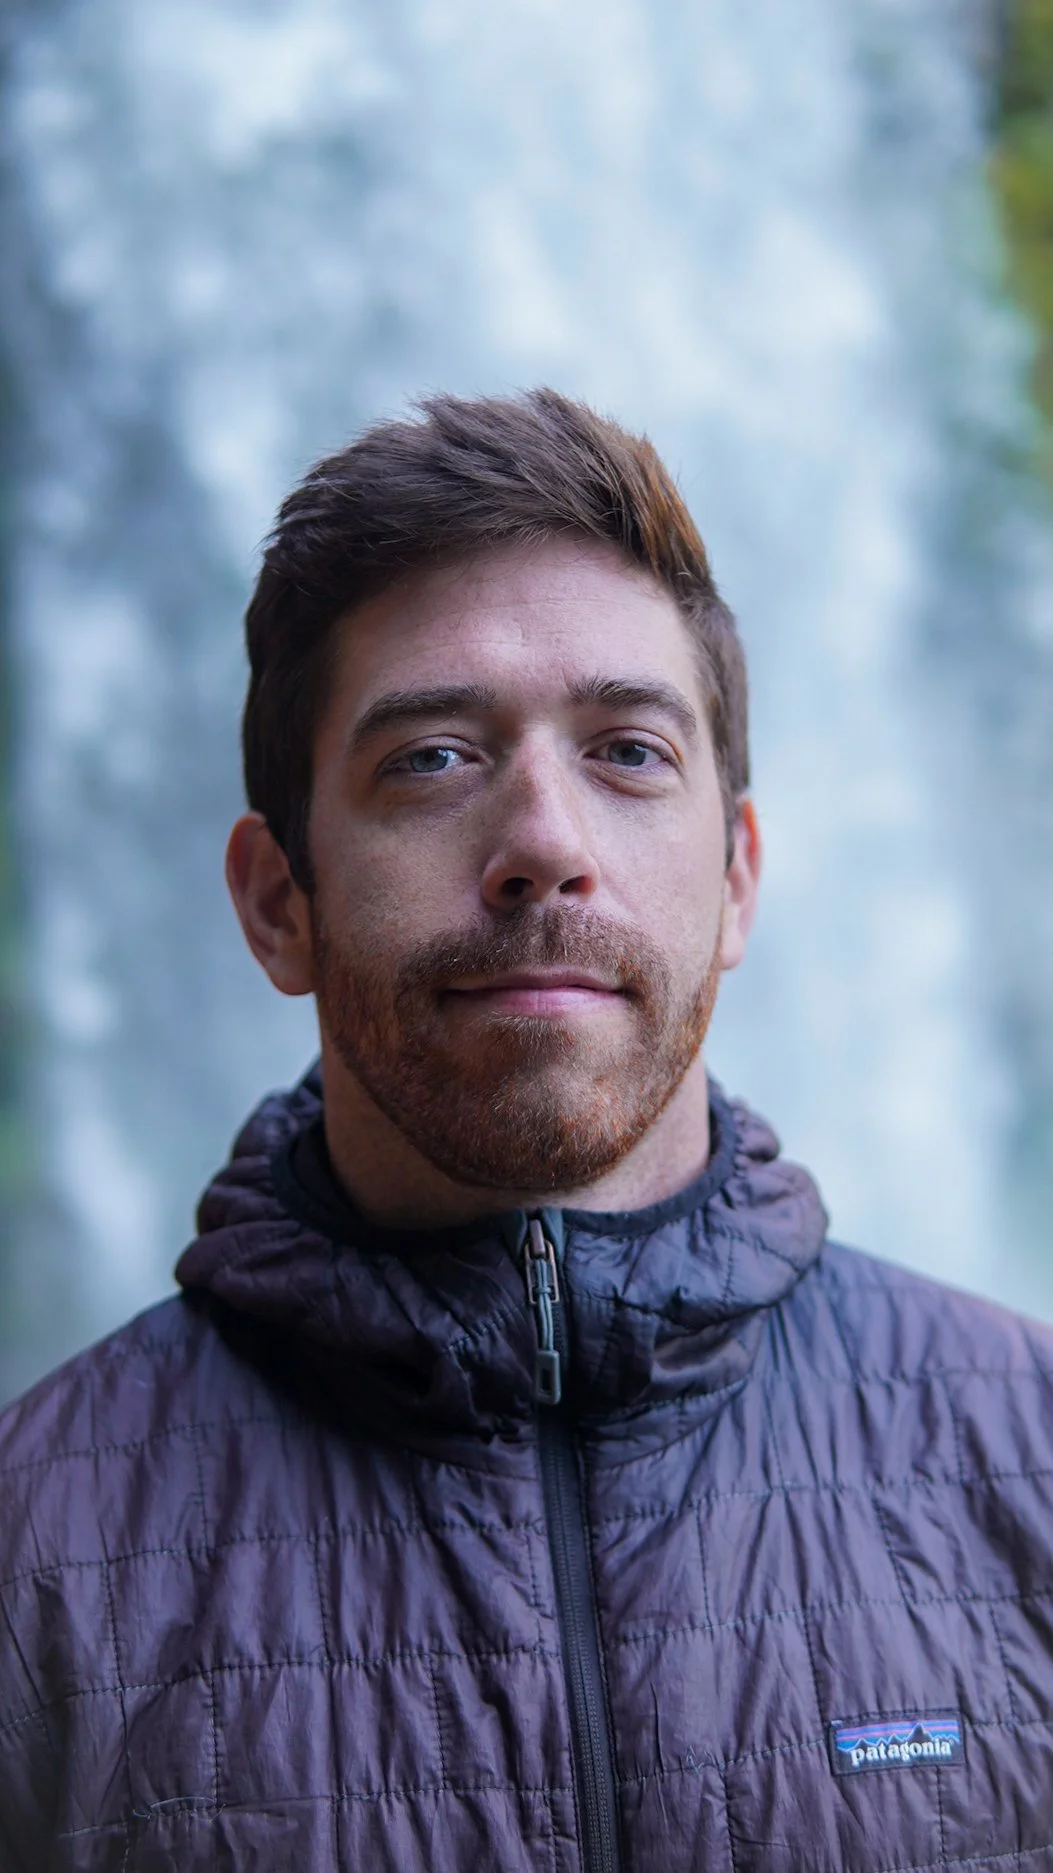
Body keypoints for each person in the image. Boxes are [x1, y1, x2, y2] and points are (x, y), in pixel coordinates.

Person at [1, 389, 1052, 1873]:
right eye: (430, 757)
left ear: (738, 876)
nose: (546, 845)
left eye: (627, 751)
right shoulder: (32, 1558)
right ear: (275, 901)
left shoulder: (1031, 1459)